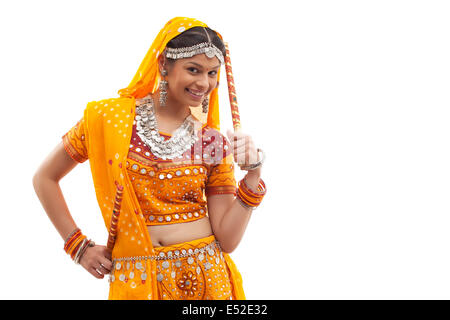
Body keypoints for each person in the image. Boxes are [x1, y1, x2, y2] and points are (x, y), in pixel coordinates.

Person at [32, 17, 266, 300]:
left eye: (213, 73)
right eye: (194, 70)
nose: (204, 83)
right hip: (137, 281)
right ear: (163, 65)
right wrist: (78, 246)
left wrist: (253, 175)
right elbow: (44, 178)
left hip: (208, 280)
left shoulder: (211, 141)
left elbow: (227, 239)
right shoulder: (108, 120)